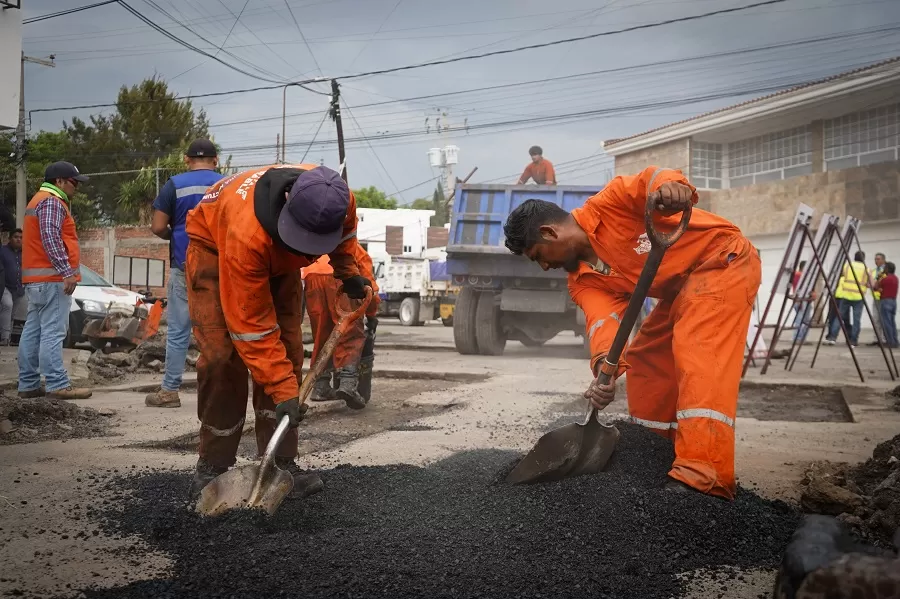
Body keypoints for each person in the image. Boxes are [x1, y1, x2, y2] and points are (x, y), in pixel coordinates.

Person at [503, 165, 761, 500]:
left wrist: (671, 189)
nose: (544, 266)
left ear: (550, 233)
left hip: (723, 261)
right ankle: (657, 453)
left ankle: (704, 475)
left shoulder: (610, 203)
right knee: (647, 357)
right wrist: (604, 372)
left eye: (538, 256)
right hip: (682, 288)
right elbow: (603, 323)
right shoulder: (583, 280)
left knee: (699, 350)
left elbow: (650, 179)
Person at [185, 162, 370, 500]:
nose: (312, 251)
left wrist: (347, 270)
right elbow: (251, 328)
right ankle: (213, 465)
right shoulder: (246, 236)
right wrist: (285, 390)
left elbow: (345, 236)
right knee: (222, 358)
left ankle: (281, 462)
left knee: (288, 350)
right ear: (287, 202)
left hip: (281, 258)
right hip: (215, 248)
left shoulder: (337, 197)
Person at [145, 140, 224, 409]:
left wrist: (176, 235)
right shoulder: (229, 184)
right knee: (222, 329)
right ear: (216, 161)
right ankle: (222, 392)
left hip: (185, 266)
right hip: (222, 268)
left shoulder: (174, 184)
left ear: (186, 159)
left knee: (179, 331)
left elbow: (157, 226)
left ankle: (169, 392)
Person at [18, 161, 92, 400]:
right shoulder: (52, 201)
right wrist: (66, 272)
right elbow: (50, 238)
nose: (76, 188)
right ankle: (57, 384)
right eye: (73, 183)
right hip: (52, 280)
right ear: (59, 181)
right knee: (52, 332)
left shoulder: (38, 200)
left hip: (38, 281)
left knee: (33, 331)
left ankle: (28, 384)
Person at [302, 245, 379, 407]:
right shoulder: (355, 249)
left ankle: (320, 386)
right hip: (342, 277)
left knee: (322, 334)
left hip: (312, 276)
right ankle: (348, 384)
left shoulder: (320, 246)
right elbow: (369, 287)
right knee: (350, 332)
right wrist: (372, 315)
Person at [825, 251, 870, 347]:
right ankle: (853, 341)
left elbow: (843, 277)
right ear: (863, 258)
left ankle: (833, 337)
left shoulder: (847, 266)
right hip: (858, 297)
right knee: (856, 320)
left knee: (839, 317)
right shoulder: (866, 269)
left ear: (854, 257)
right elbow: (870, 283)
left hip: (846, 295)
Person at [0, 229, 24, 345]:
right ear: (10, 239)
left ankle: (7, 337)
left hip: (19, 289)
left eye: (21, 237)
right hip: (5, 287)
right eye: (15, 237)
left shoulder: (25, 253)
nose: (18, 239)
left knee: (12, 314)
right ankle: (5, 338)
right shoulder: (3, 251)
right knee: (7, 305)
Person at [875, 262, 897, 348]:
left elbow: (876, 287)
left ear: (887, 269)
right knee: (892, 322)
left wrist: (879, 277)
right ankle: (895, 341)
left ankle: (890, 341)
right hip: (893, 301)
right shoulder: (895, 278)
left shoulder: (885, 279)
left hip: (885, 301)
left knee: (886, 322)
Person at [869, 253, 886, 346]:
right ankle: (877, 338)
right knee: (875, 319)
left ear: (883, 260)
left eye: (878, 259)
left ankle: (884, 339)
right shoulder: (874, 271)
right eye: (875, 259)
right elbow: (871, 283)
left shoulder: (886, 270)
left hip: (883, 298)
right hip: (875, 298)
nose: (876, 261)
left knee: (883, 318)